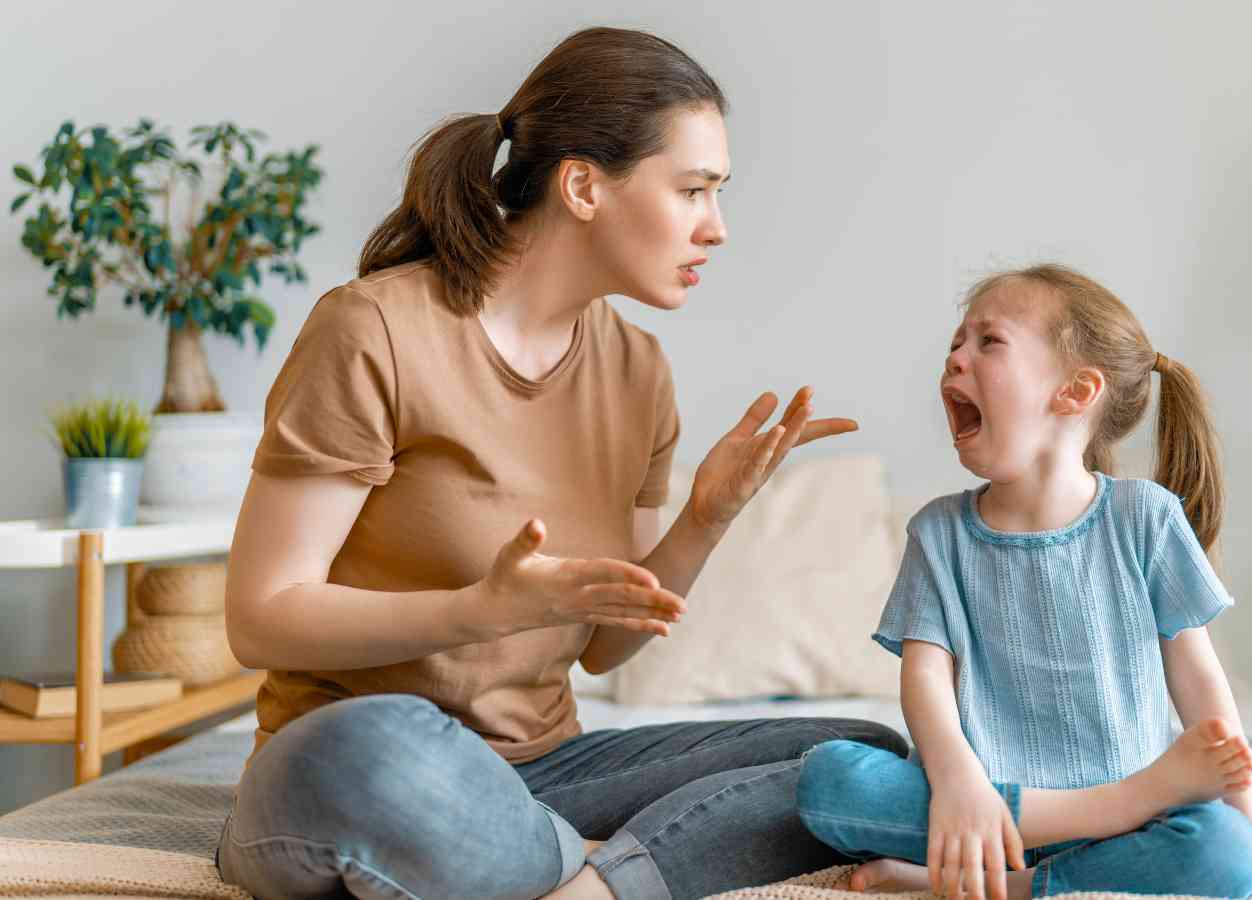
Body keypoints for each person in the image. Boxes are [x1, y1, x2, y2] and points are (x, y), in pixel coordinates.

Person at [219, 26, 905, 900]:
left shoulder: (638, 371)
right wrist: (478, 611)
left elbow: (607, 649)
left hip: (546, 773)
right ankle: (582, 856)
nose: (717, 228)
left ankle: (589, 881)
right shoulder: (374, 330)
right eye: (692, 190)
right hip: (358, 764)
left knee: (857, 755)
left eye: (718, 194)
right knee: (374, 749)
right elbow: (261, 617)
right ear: (583, 186)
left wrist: (707, 517)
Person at [795, 264, 1252, 899]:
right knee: (829, 780)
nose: (955, 358)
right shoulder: (938, 533)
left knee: (1227, 850)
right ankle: (1091, 821)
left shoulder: (1145, 517)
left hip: (1126, 821)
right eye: (955, 343)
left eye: (988, 341)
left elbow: (1198, 678)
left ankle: (1011, 884)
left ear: (1075, 391)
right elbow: (925, 679)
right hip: (985, 807)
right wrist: (959, 781)